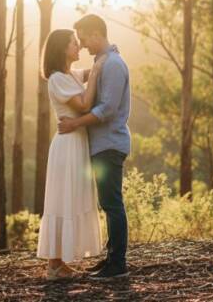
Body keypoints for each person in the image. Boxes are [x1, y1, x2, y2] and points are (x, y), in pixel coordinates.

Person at [59, 14, 131, 279]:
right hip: (102, 144)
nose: (83, 45)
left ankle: (118, 264)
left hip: (109, 143)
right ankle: (112, 257)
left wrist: (75, 123)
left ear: (97, 34)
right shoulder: (104, 61)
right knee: (108, 202)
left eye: (84, 38)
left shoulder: (112, 64)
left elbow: (108, 109)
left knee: (112, 204)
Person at [36, 29, 106, 280]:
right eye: (74, 44)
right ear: (62, 49)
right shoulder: (57, 79)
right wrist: (97, 71)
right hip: (66, 146)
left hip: (76, 142)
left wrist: (102, 60)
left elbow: (88, 74)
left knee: (72, 197)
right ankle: (54, 265)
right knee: (62, 199)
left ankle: (59, 263)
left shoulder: (70, 75)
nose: (79, 47)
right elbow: (85, 104)